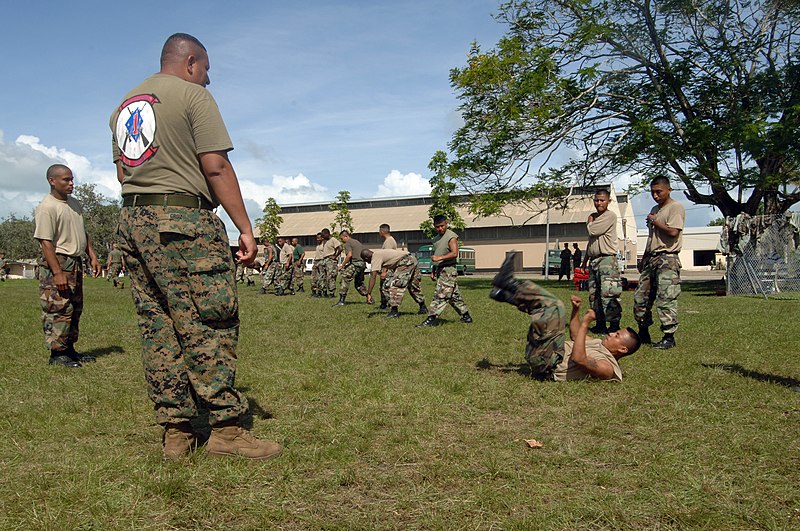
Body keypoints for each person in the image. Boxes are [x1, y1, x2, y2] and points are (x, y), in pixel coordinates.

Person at [110, 33, 281, 460]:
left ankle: (176, 430)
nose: (208, 79)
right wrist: (245, 227)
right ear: (190, 63)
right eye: (206, 70)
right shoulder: (191, 96)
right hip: (183, 222)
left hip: (133, 221)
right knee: (209, 321)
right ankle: (225, 429)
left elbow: (121, 174)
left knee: (159, 326)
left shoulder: (126, 105)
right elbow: (216, 164)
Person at [490, 253, 640, 381]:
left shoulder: (607, 368)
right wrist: (576, 311)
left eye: (617, 335)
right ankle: (504, 294)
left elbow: (579, 359)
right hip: (548, 353)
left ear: (623, 349)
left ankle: (510, 285)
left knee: (555, 307)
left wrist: (585, 324)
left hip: (548, 365)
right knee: (549, 309)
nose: (612, 333)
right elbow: (575, 336)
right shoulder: (599, 344)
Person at [34, 164, 101, 368]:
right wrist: (57, 273)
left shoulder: (74, 203)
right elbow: (45, 242)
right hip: (59, 261)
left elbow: (82, 231)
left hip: (75, 262)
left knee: (75, 308)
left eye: (72, 179)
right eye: (66, 180)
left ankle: (69, 349)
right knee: (58, 307)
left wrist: (92, 255)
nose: (71, 184)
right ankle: (57, 354)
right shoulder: (47, 207)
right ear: (52, 181)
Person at [634, 176, 685, 350]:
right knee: (641, 297)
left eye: (659, 192)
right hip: (652, 257)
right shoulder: (655, 209)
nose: (655, 195)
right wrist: (645, 258)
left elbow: (673, 232)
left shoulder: (675, 207)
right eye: (653, 192)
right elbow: (652, 237)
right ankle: (643, 331)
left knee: (666, 297)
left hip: (667, 258)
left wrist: (655, 221)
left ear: (668, 190)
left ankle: (669, 336)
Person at [417, 215, 472, 327]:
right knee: (454, 297)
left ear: (446, 223)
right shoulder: (436, 239)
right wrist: (433, 269)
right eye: (437, 227)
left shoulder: (451, 236)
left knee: (440, 295)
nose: (440, 228)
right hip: (440, 270)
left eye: (442, 226)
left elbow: (454, 253)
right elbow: (437, 254)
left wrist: (439, 258)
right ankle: (466, 316)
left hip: (449, 270)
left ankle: (431, 318)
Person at [584, 190, 622, 333]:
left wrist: (589, 222)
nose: (599, 203)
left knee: (609, 293)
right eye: (596, 200)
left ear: (608, 201)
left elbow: (593, 231)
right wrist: (585, 261)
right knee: (595, 295)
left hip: (606, 259)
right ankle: (600, 323)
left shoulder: (609, 216)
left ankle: (613, 325)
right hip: (594, 259)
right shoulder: (595, 217)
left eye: (602, 200)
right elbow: (591, 242)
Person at [362, 248, 426, 318]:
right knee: (413, 286)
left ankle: (394, 311)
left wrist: (369, 293)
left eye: (366, 261)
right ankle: (423, 307)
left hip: (405, 262)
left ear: (366, 257)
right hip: (411, 259)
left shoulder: (375, 257)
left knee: (394, 285)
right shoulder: (378, 253)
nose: (368, 263)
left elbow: (373, 276)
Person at [334, 230, 368, 306]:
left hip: (356, 264)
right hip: (362, 264)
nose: (342, 241)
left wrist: (342, 265)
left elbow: (349, 255)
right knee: (358, 283)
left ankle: (341, 301)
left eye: (342, 238)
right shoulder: (356, 242)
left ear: (346, 236)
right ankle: (369, 297)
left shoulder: (347, 243)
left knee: (345, 277)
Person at [377, 223, 397, 310]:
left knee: (385, 287)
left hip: (388, 269)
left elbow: (388, 257)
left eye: (379, 231)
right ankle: (384, 304)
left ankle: (391, 305)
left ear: (382, 231)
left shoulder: (388, 242)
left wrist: (384, 271)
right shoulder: (389, 240)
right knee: (383, 287)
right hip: (388, 268)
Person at [319, 228, 341, 298]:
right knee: (323, 276)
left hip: (330, 260)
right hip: (324, 260)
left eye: (323, 235)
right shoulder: (325, 241)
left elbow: (340, 248)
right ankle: (324, 291)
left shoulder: (333, 240)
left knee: (331, 277)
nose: (322, 237)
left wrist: (335, 256)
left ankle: (332, 293)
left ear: (327, 234)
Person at [310, 233, 324, 297]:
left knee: (320, 277)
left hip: (321, 261)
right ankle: (313, 291)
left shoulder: (324, 245)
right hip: (316, 261)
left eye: (319, 238)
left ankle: (320, 291)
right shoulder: (318, 246)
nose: (317, 239)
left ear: (322, 238)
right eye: (317, 238)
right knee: (313, 277)